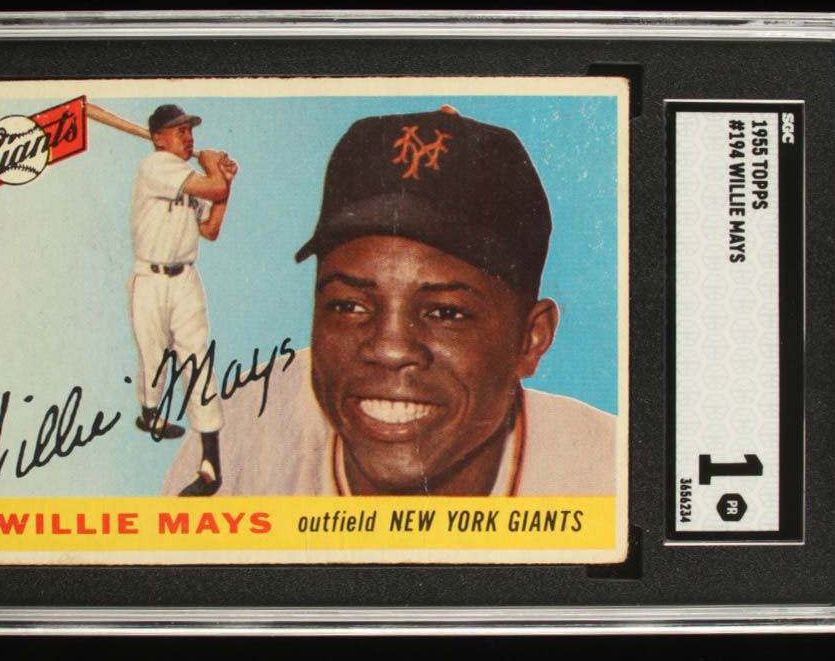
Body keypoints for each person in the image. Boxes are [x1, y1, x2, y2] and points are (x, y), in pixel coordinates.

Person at [161, 106, 616, 497]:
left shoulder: (607, 474)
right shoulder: (242, 436)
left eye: (446, 312)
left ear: (532, 339)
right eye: (349, 306)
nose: (389, 349)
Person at [131, 104, 237, 496]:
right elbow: (213, 187)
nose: (188, 137)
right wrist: (215, 170)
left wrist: (225, 182)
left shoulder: (186, 177)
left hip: (185, 279)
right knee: (153, 356)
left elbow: (210, 230)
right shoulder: (156, 166)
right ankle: (150, 415)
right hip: (150, 278)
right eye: (179, 131)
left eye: (189, 130)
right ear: (159, 139)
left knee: (197, 360)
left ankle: (211, 465)